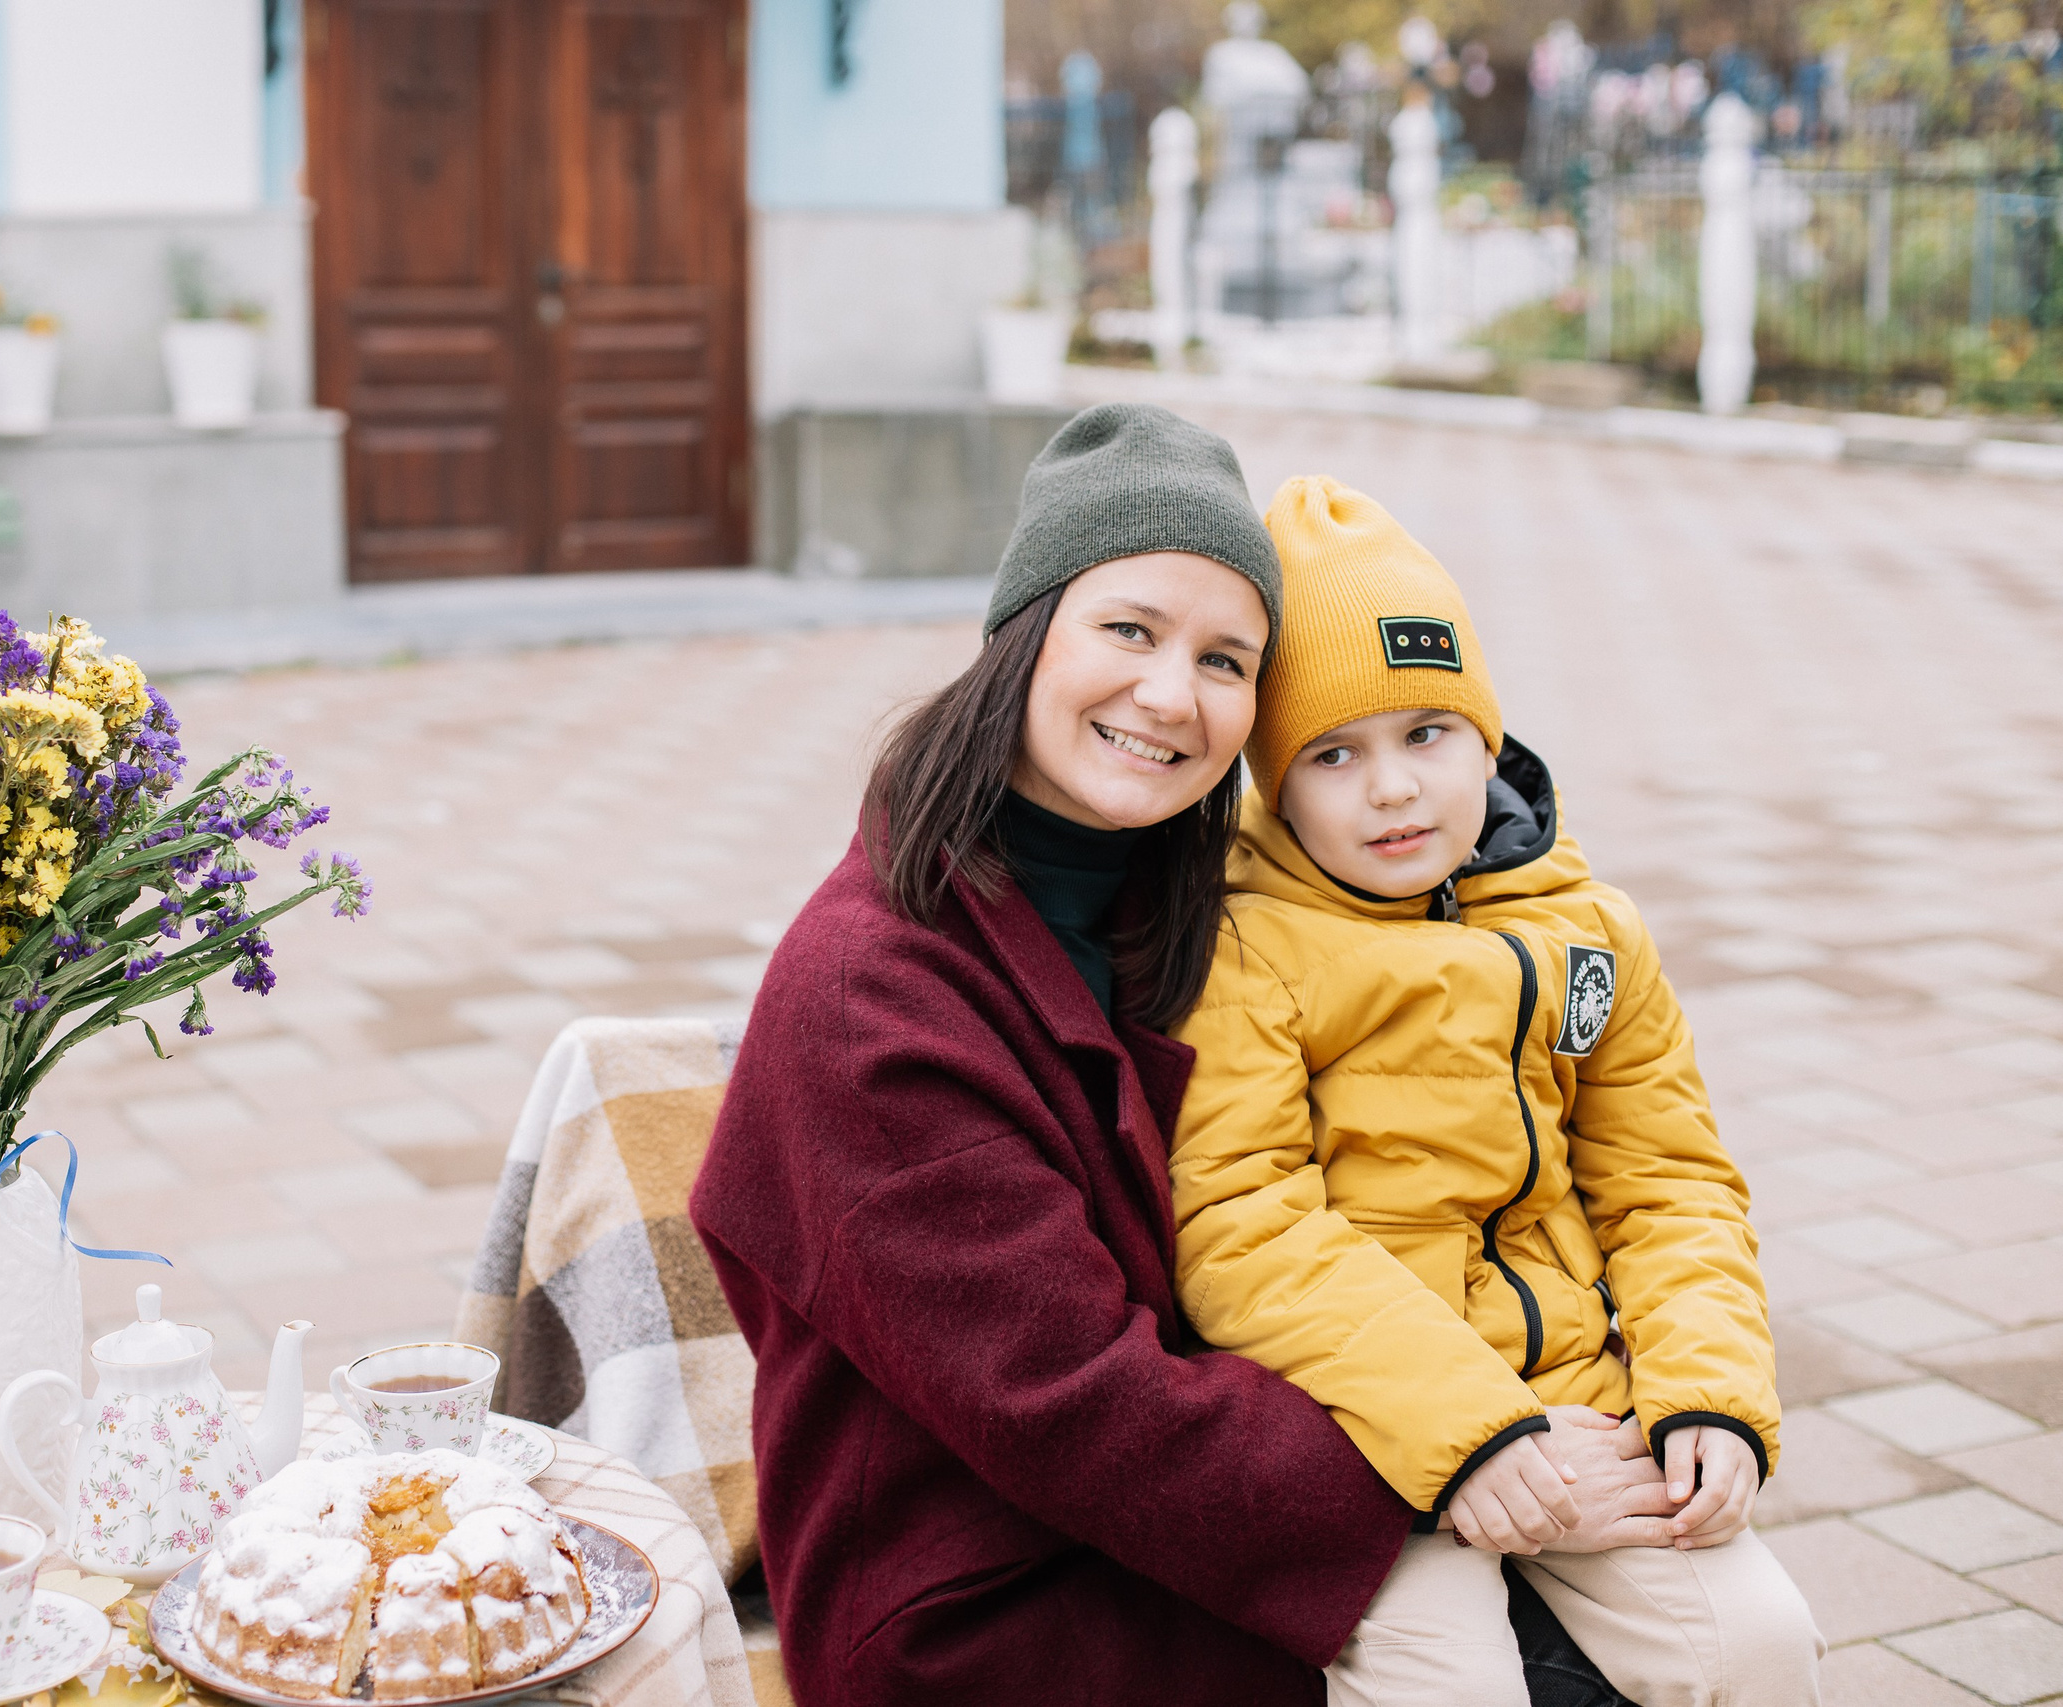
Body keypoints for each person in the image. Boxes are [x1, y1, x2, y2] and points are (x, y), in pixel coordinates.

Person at [689, 407, 1667, 1707]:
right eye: (1129, 630)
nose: (1170, 695)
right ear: (1025, 633)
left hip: (1208, 1492)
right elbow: (1065, 1394)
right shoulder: (868, 994)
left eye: (1225, 660)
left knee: (1689, 1625)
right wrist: (1466, 1453)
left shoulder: (1188, 899)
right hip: (989, 1594)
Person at [1167, 475, 1822, 1706]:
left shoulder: (1586, 929)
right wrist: (1468, 1428)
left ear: (1487, 736)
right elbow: (1241, 1225)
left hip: (1577, 1403)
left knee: (1756, 1646)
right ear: (1271, 784)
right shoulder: (1246, 948)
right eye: (1332, 754)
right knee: (1449, 1685)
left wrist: (1710, 1399)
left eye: (1427, 733)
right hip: (1360, 1429)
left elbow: (1669, 1179)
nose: (1393, 788)